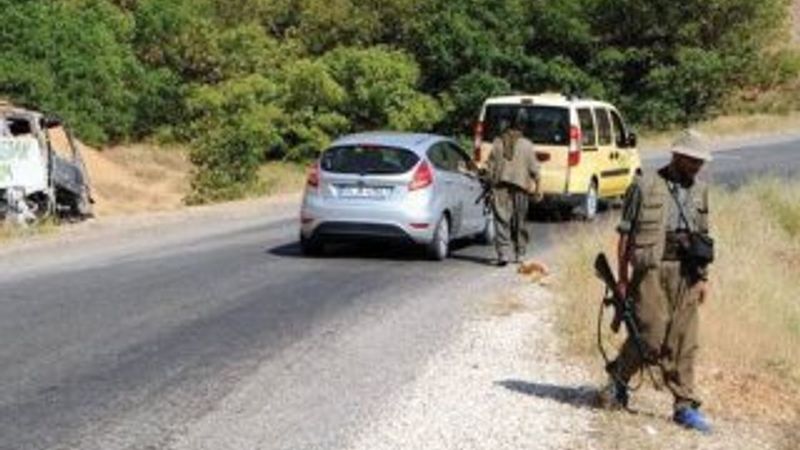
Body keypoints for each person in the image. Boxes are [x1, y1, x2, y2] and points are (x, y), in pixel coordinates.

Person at [599, 129, 714, 433]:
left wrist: (703, 278)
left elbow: (702, 237)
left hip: (687, 272)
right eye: (691, 160)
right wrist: (623, 280)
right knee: (649, 335)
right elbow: (625, 235)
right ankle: (618, 380)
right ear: (676, 155)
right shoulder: (644, 185)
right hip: (650, 270)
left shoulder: (701, 190)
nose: (696, 166)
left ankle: (684, 405)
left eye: (700, 161)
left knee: (685, 340)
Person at [486, 110, 540, 266]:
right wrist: (537, 189)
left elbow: (490, 167)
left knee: (501, 220)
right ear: (522, 126)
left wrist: (490, 185)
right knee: (519, 222)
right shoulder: (527, 145)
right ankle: (520, 253)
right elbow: (535, 171)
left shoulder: (497, 142)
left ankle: (502, 254)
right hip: (521, 189)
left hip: (500, 188)